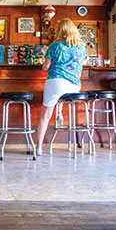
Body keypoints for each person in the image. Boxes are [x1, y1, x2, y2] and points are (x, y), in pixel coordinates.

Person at [35, 18, 88, 155]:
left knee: (45, 115)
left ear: (59, 31)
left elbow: (46, 68)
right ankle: (59, 113)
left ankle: (39, 147)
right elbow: (85, 60)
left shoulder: (55, 45)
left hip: (56, 82)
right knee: (62, 97)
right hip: (74, 86)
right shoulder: (82, 46)